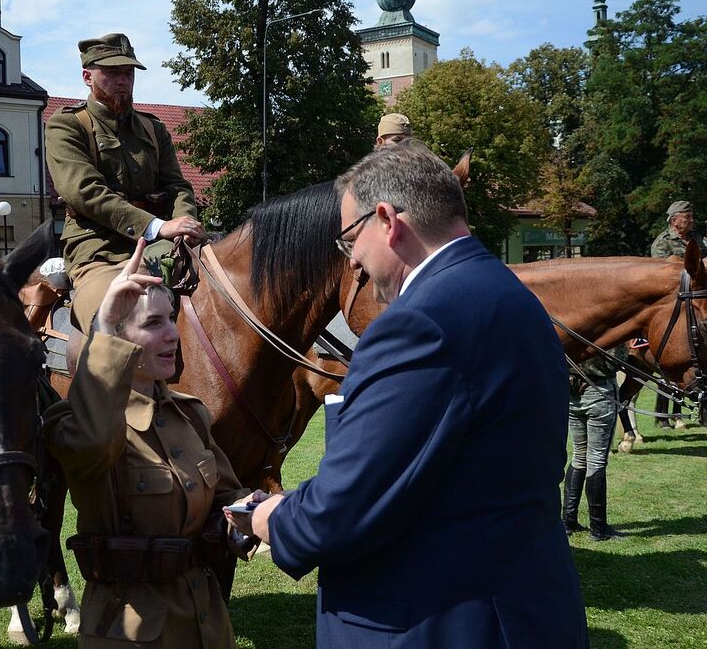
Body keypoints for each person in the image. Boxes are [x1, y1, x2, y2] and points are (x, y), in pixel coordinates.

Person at [230, 144, 588, 647]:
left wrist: (271, 516)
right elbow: (427, 469)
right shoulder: (513, 297)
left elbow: (345, 508)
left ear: (386, 220)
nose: (351, 261)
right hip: (522, 607)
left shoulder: (419, 322)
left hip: (436, 620)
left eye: (349, 239)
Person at [43, 238, 252, 648]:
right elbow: (96, 442)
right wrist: (103, 325)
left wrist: (262, 510)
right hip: (133, 632)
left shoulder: (188, 414)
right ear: (114, 340)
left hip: (206, 623)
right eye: (153, 323)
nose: (175, 334)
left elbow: (228, 496)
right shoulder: (70, 423)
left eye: (171, 318)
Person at [45, 33, 205, 330]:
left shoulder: (154, 128)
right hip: (97, 250)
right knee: (112, 318)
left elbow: (177, 186)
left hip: (161, 248)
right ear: (87, 77)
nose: (122, 80)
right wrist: (158, 226)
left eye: (128, 73)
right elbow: (84, 192)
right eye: (112, 72)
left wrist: (184, 222)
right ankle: (103, 375)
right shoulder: (66, 125)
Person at [564, 349, 629, 541]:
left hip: (572, 395)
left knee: (579, 456)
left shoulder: (572, 328)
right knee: (597, 460)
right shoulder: (604, 330)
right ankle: (598, 529)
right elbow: (619, 359)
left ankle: (568, 521)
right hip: (599, 392)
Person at [650, 200, 701, 427]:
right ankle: (663, 414)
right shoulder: (663, 242)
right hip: (672, 302)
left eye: (691, 217)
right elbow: (659, 273)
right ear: (673, 220)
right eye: (686, 217)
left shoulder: (696, 240)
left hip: (696, 300)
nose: (690, 220)